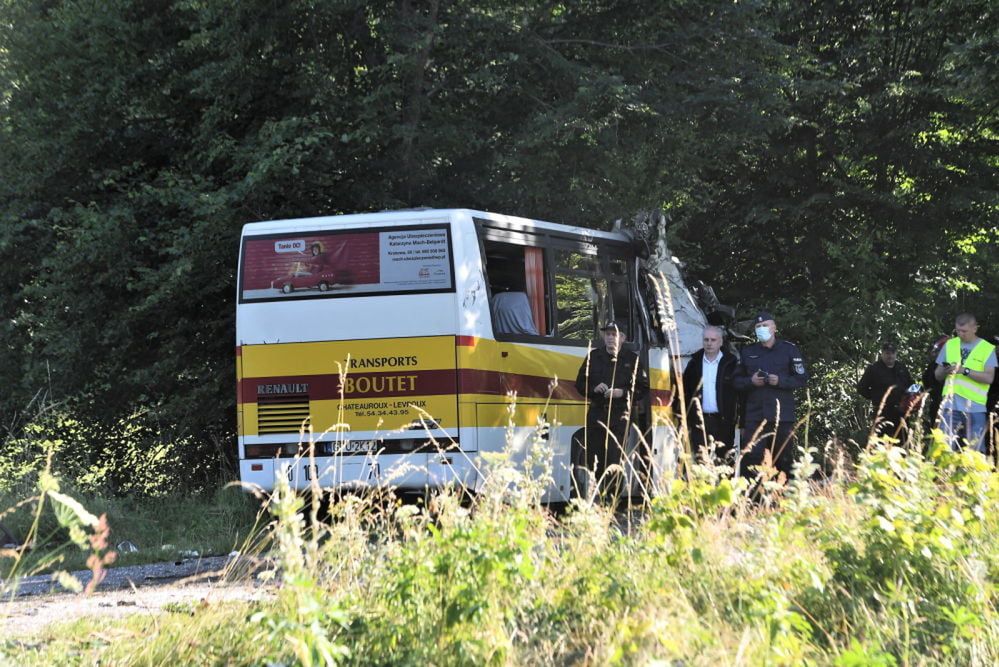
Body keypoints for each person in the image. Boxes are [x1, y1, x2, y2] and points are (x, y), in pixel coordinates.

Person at [574, 320, 649, 500]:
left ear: (622, 338)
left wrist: (622, 393)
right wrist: (593, 388)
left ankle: (612, 500)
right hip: (597, 413)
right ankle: (598, 497)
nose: (610, 338)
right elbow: (579, 384)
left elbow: (643, 387)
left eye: (614, 334)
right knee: (595, 458)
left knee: (615, 459)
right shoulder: (593, 356)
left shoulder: (632, 360)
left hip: (620, 414)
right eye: (607, 334)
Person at [732, 311, 809, 479]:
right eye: (758, 326)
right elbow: (736, 382)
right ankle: (754, 501)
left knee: (784, 460)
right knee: (752, 460)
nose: (761, 329)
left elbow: (802, 379)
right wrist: (751, 381)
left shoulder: (789, 349)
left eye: (765, 325)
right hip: (755, 416)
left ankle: (786, 499)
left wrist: (780, 381)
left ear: (774, 328)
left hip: (782, 417)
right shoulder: (747, 352)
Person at [933, 313, 997, 453]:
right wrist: (945, 370)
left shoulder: (986, 348)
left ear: (975, 328)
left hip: (975, 407)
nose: (961, 334)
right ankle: (944, 474)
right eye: (958, 331)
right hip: (950, 406)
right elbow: (937, 375)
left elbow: (989, 378)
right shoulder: (950, 345)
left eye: (964, 331)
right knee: (943, 448)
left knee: (976, 451)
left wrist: (964, 371)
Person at [678, 325, 738, 464]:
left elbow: (739, 391)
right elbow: (685, 390)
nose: (709, 343)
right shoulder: (694, 363)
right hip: (700, 421)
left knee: (725, 462)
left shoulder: (731, 363)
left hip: (724, 421)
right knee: (701, 462)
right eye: (706, 340)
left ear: (721, 342)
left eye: (713, 340)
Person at [856, 341, 913, 435]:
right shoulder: (873, 369)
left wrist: (913, 398)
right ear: (882, 354)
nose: (890, 356)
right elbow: (861, 388)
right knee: (882, 444)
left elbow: (911, 385)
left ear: (896, 354)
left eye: (892, 353)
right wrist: (875, 397)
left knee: (902, 443)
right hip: (883, 413)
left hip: (901, 412)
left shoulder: (901, 368)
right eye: (887, 353)